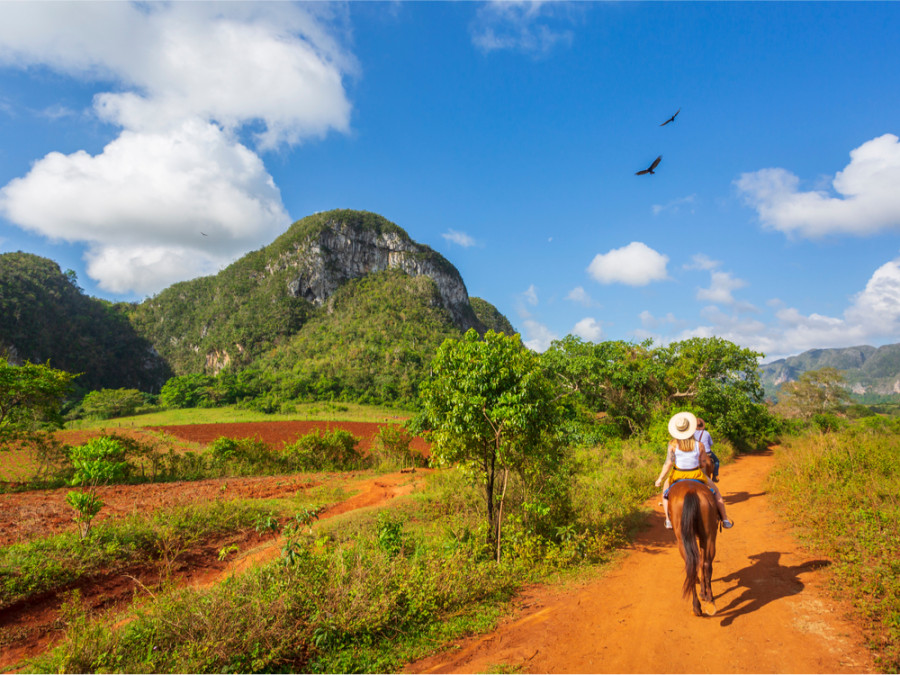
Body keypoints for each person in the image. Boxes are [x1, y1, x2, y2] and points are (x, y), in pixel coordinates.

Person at [655, 411, 733, 530]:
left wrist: (660, 478)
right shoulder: (699, 445)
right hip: (696, 473)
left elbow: (668, 463)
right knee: (716, 492)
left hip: (677, 474)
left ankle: (667, 520)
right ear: (690, 429)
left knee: (665, 492)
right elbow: (702, 464)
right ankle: (725, 519)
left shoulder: (673, 445)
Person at [694, 417, 719, 482]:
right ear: (702, 425)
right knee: (716, 461)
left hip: (696, 452)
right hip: (707, 452)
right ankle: (714, 476)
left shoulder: (692, 433)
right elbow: (711, 443)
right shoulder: (706, 433)